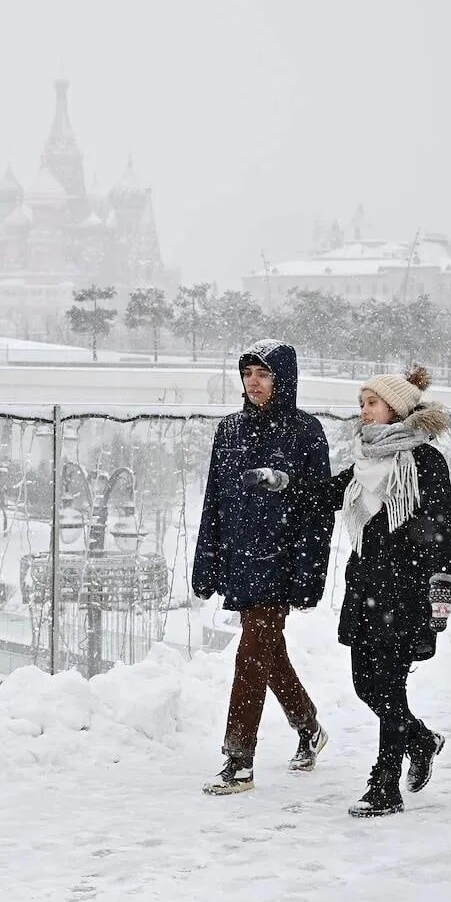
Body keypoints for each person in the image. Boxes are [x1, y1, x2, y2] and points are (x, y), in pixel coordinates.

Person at [313, 365, 451, 817]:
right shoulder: (365, 462)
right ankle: (421, 740)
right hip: (366, 590)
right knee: (365, 684)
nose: (363, 412)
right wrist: (283, 488)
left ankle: (384, 784)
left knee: (391, 687)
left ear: (395, 409)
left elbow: (447, 530)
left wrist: (441, 579)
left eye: (371, 403)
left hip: (407, 590)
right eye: (361, 404)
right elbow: (327, 496)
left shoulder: (423, 462)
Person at [193, 339, 336, 795]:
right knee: (267, 653)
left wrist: (310, 574)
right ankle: (308, 726)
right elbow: (215, 500)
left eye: (263, 374)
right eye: (247, 373)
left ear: (283, 379)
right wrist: (208, 560)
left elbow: (319, 510)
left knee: (251, 654)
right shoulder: (229, 430)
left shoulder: (306, 432)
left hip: (282, 562)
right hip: (240, 559)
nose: (253, 382)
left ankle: (239, 760)